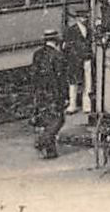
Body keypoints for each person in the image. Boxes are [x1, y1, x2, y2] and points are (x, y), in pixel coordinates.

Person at [30, 30, 67, 158]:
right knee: (58, 120)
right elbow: (61, 78)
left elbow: (33, 75)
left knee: (47, 120)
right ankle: (42, 141)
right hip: (54, 93)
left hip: (40, 92)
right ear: (56, 41)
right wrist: (64, 96)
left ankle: (51, 152)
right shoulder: (57, 56)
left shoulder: (37, 54)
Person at [62, 16, 92, 115]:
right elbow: (67, 47)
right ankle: (72, 105)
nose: (85, 19)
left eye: (85, 16)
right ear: (78, 18)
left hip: (87, 59)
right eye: (82, 17)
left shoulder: (89, 29)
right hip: (75, 60)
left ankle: (87, 105)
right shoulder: (71, 30)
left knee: (88, 83)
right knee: (73, 83)